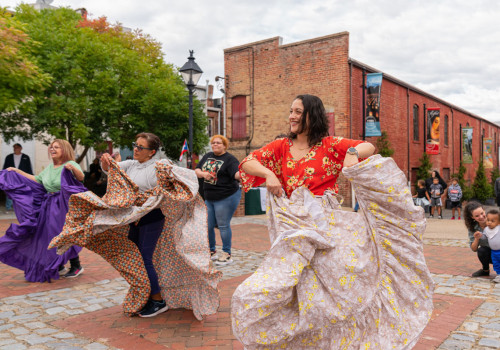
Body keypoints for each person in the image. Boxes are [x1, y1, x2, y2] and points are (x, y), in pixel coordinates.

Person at [231, 94, 434, 349]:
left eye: (297, 111)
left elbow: (367, 147)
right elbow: (248, 162)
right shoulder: (281, 146)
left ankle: (331, 340)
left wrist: (350, 153)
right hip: (292, 225)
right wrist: (269, 173)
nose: (291, 116)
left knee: (321, 290)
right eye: (290, 111)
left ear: (311, 115)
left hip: (323, 222)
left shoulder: (329, 145)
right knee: (287, 285)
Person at [50, 132, 221, 320]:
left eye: (141, 147)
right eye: (135, 145)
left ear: (152, 152)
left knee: (144, 257)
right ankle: (145, 293)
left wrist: (203, 174)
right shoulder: (131, 164)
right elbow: (109, 168)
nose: (136, 149)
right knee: (135, 256)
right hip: (133, 217)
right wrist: (106, 161)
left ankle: (157, 299)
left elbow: (183, 174)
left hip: (151, 217)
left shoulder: (159, 166)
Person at [0, 139, 86, 281]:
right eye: (51, 147)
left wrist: (73, 169)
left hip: (64, 205)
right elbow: (37, 179)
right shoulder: (50, 167)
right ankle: (58, 266)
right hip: (49, 205)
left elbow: (81, 177)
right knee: (48, 235)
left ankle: (76, 265)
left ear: (64, 150)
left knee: (63, 233)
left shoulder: (70, 164)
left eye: (56, 147)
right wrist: (16, 171)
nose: (52, 149)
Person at [195, 134, 241, 265]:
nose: (215, 145)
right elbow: (197, 169)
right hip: (209, 197)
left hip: (226, 196)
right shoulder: (207, 156)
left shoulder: (230, 159)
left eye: (218, 143)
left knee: (223, 225)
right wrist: (203, 174)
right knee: (208, 225)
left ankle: (227, 253)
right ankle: (212, 251)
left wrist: (244, 174)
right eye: (213, 142)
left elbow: (236, 174)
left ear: (224, 145)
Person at [464, 201, 493, 277]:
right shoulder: (473, 228)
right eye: (477, 216)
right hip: (491, 253)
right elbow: (474, 249)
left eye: (482, 213)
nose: (481, 217)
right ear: (472, 217)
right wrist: (476, 239)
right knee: (481, 251)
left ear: (484, 210)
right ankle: (485, 270)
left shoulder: (495, 220)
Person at [2, 143, 33, 211]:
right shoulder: (9, 157)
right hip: (11, 178)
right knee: (10, 191)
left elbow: (29, 168)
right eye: (14, 147)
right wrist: (4, 177)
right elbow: (5, 168)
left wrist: (30, 177)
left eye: (17, 147)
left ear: (21, 148)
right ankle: (9, 207)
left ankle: (21, 206)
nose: (16, 149)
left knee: (22, 191)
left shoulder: (26, 157)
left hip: (22, 177)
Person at [478, 209, 500, 283]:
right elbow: (484, 237)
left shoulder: (499, 228)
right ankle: (499, 275)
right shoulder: (486, 229)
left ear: (498, 222)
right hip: (494, 251)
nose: (489, 222)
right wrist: (480, 235)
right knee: (496, 263)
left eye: (492, 221)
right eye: (488, 220)